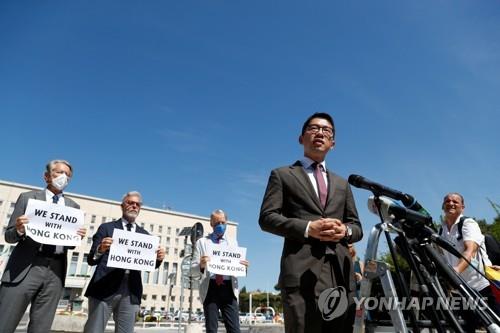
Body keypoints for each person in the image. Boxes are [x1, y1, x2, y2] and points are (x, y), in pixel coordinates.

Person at [259, 113, 363, 333]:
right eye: (314, 128)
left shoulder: (343, 184)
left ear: (332, 143)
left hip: (340, 275)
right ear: (301, 138)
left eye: (327, 131)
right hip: (300, 273)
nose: (320, 133)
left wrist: (344, 231)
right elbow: (267, 218)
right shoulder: (282, 175)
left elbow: (356, 227)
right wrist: (308, 228)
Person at [0, 159, 86, 333]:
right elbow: (9, 236)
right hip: (25, 267)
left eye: (67, 175)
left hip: (55, 270)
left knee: (41, 326)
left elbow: (68, 245)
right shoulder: (28, 198)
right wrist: (19, 229)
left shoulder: (73, 207)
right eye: (59, 172)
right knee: (5, 321)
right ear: (46, 176)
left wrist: (76, 237)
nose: (63, 177)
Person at [83, 191, 165, 333]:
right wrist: (100, 249)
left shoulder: (145, 235)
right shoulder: (107, 228)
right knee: (94, 330)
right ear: (122, 206)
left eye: (137, 204)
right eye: (130, 203)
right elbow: (91, 259)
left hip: (131, 289)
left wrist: (158, 259)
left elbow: (148, 266)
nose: (134, 206)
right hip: (104, 286)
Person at [440, 192, 498, 332]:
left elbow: (470, 250)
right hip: (461, 289)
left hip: (482, 286)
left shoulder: (468, 223)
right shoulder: (441, 230)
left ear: (462, 207)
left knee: (494, 324)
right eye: (447, 201)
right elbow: (443, 257)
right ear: (443, 206)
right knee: (466, 327)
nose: (451, 203)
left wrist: (454, 273)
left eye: (455, 201)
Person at [192, 209, 249, 333]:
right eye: (217, 223)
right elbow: (193, 271)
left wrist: (243, 267)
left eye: (223, 222)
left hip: (229, 289)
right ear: (211, 223)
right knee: (212, 329)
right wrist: (201, 265)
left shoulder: (233, 243)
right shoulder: (201, 243)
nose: (220, 225)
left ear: (226, 223)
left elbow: (236, 266)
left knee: (234, 329)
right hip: (210, 288)